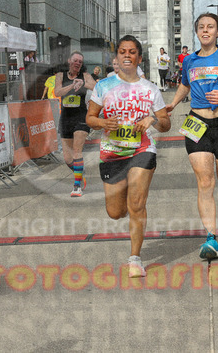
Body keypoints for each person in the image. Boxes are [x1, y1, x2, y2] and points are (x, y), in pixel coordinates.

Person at [166, 13, 218, 260]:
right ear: (197, 32)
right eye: (201, 27)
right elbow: (185, 84)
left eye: (210, 27)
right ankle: (211, 238)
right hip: (196, 123)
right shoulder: (189, 60)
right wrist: (173, 103)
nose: (205, 30)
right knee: (205, 181)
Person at [86, 35, 171, 277]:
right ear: (117, 57)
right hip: (112, 153)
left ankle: (135, 259)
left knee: (137, 203)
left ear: (139, 58)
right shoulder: (103, 86)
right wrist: (103, 122)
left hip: (142, 150)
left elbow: (166, 124)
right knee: (115, 212)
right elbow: (90, 118)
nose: (127, 55)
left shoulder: (150, 88)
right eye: (122, 51)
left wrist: (152, 119)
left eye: (132, 52)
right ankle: (127, 211)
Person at [54, 51, 97, 197]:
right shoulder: (60, 76)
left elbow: (96, 87)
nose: (78, 63)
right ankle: (79, 173)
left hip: (81, 117)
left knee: (77, 151)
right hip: (66, 118)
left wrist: (83, 83)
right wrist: (72, 85)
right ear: (69, 61)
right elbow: (57, 92)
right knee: (67, 159)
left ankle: (77, 186)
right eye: (75, 60)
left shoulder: (85, 76)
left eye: (80, 61)